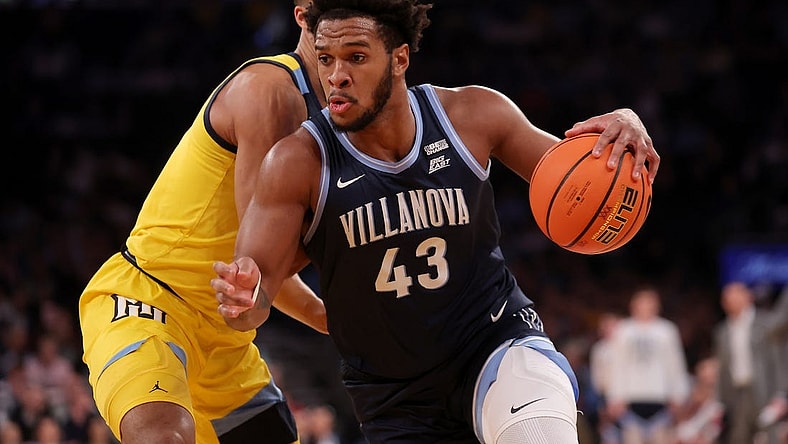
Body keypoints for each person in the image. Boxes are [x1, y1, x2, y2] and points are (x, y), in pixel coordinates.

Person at [211, 0, 661, 442]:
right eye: (326, 59)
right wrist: (241, 302)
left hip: (496, 345)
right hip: (394, 397)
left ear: (400, 58)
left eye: (356, 57)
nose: (336, 76)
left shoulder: (471, 116)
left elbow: (578, 178)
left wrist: (623, 131)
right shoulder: (297, 161)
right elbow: (256, 294)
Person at [78, 1, 329, 443]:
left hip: (223, 337)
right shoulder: (268, 90)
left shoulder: (349, 128)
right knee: (162, 436)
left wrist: (337, 321)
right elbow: (254, 261)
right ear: (304, 15)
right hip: (150, 300)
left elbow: (255, 279)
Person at [605, 287, 690, 444]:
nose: (645, 307)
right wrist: (614, 397)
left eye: (649, 303)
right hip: (631, 399)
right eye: (641, 303)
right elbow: (617, 364)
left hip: (660, 397)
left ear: (657, 306)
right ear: (633, 305)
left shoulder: (667, 330)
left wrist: (678, 394)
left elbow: (675, 364)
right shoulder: (624, 330)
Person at [714, 281, 787, 444]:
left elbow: (779, 361)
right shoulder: (722, 331)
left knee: (770, 437)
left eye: (736, 296)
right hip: (737, 394)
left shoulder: (766, 325)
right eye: (727, 299)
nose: (731, 302)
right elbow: (722, 369)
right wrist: (719, 401)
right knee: (738, 438)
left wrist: (781, 394)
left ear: (748, 297)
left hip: (765, 391)